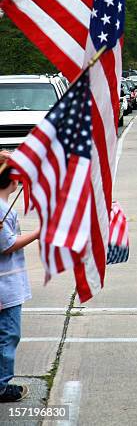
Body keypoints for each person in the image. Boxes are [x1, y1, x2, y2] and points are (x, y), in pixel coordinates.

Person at [0, 152, 40, 403]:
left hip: (7, 285)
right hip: (6, 288)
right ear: (12, 182)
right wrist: (38, 232)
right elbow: (7, 245)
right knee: (8, 334)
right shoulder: (2, 210)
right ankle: (2, 386)